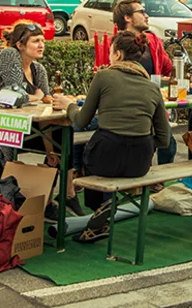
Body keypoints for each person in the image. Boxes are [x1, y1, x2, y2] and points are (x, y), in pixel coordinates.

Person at [52, 31, 172, 238]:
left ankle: (101, 207)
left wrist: (68, 105)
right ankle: (99, 218)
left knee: (93, 151)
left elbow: (81, 120)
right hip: (140, 162)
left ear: (117, 54)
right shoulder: (152, 88)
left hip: (105, 155)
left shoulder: (104, 76)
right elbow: (164, 138)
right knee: (106, 148)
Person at [0, 23, 81, 217]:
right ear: (20, 45)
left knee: (63, 134)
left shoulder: (38, 69)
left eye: (42, 40)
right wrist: (36, 97)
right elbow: (16, 95)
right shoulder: (9, 56)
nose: (41, 45)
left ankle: (59, 196)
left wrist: (40, 98)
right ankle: (17, 200)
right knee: (59, 135)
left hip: (26, 127)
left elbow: (47, 102)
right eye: (36, 41)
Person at [112, 0, 180, 164]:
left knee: (169, 144)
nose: (147, 16)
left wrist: (183, 74)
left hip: (153, 103)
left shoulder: (153, 41)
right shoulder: (118, 45)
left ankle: (160, 181)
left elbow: (167, 68)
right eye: (141, 12)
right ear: (127, 18)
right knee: (146, 145)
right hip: (128, 106)